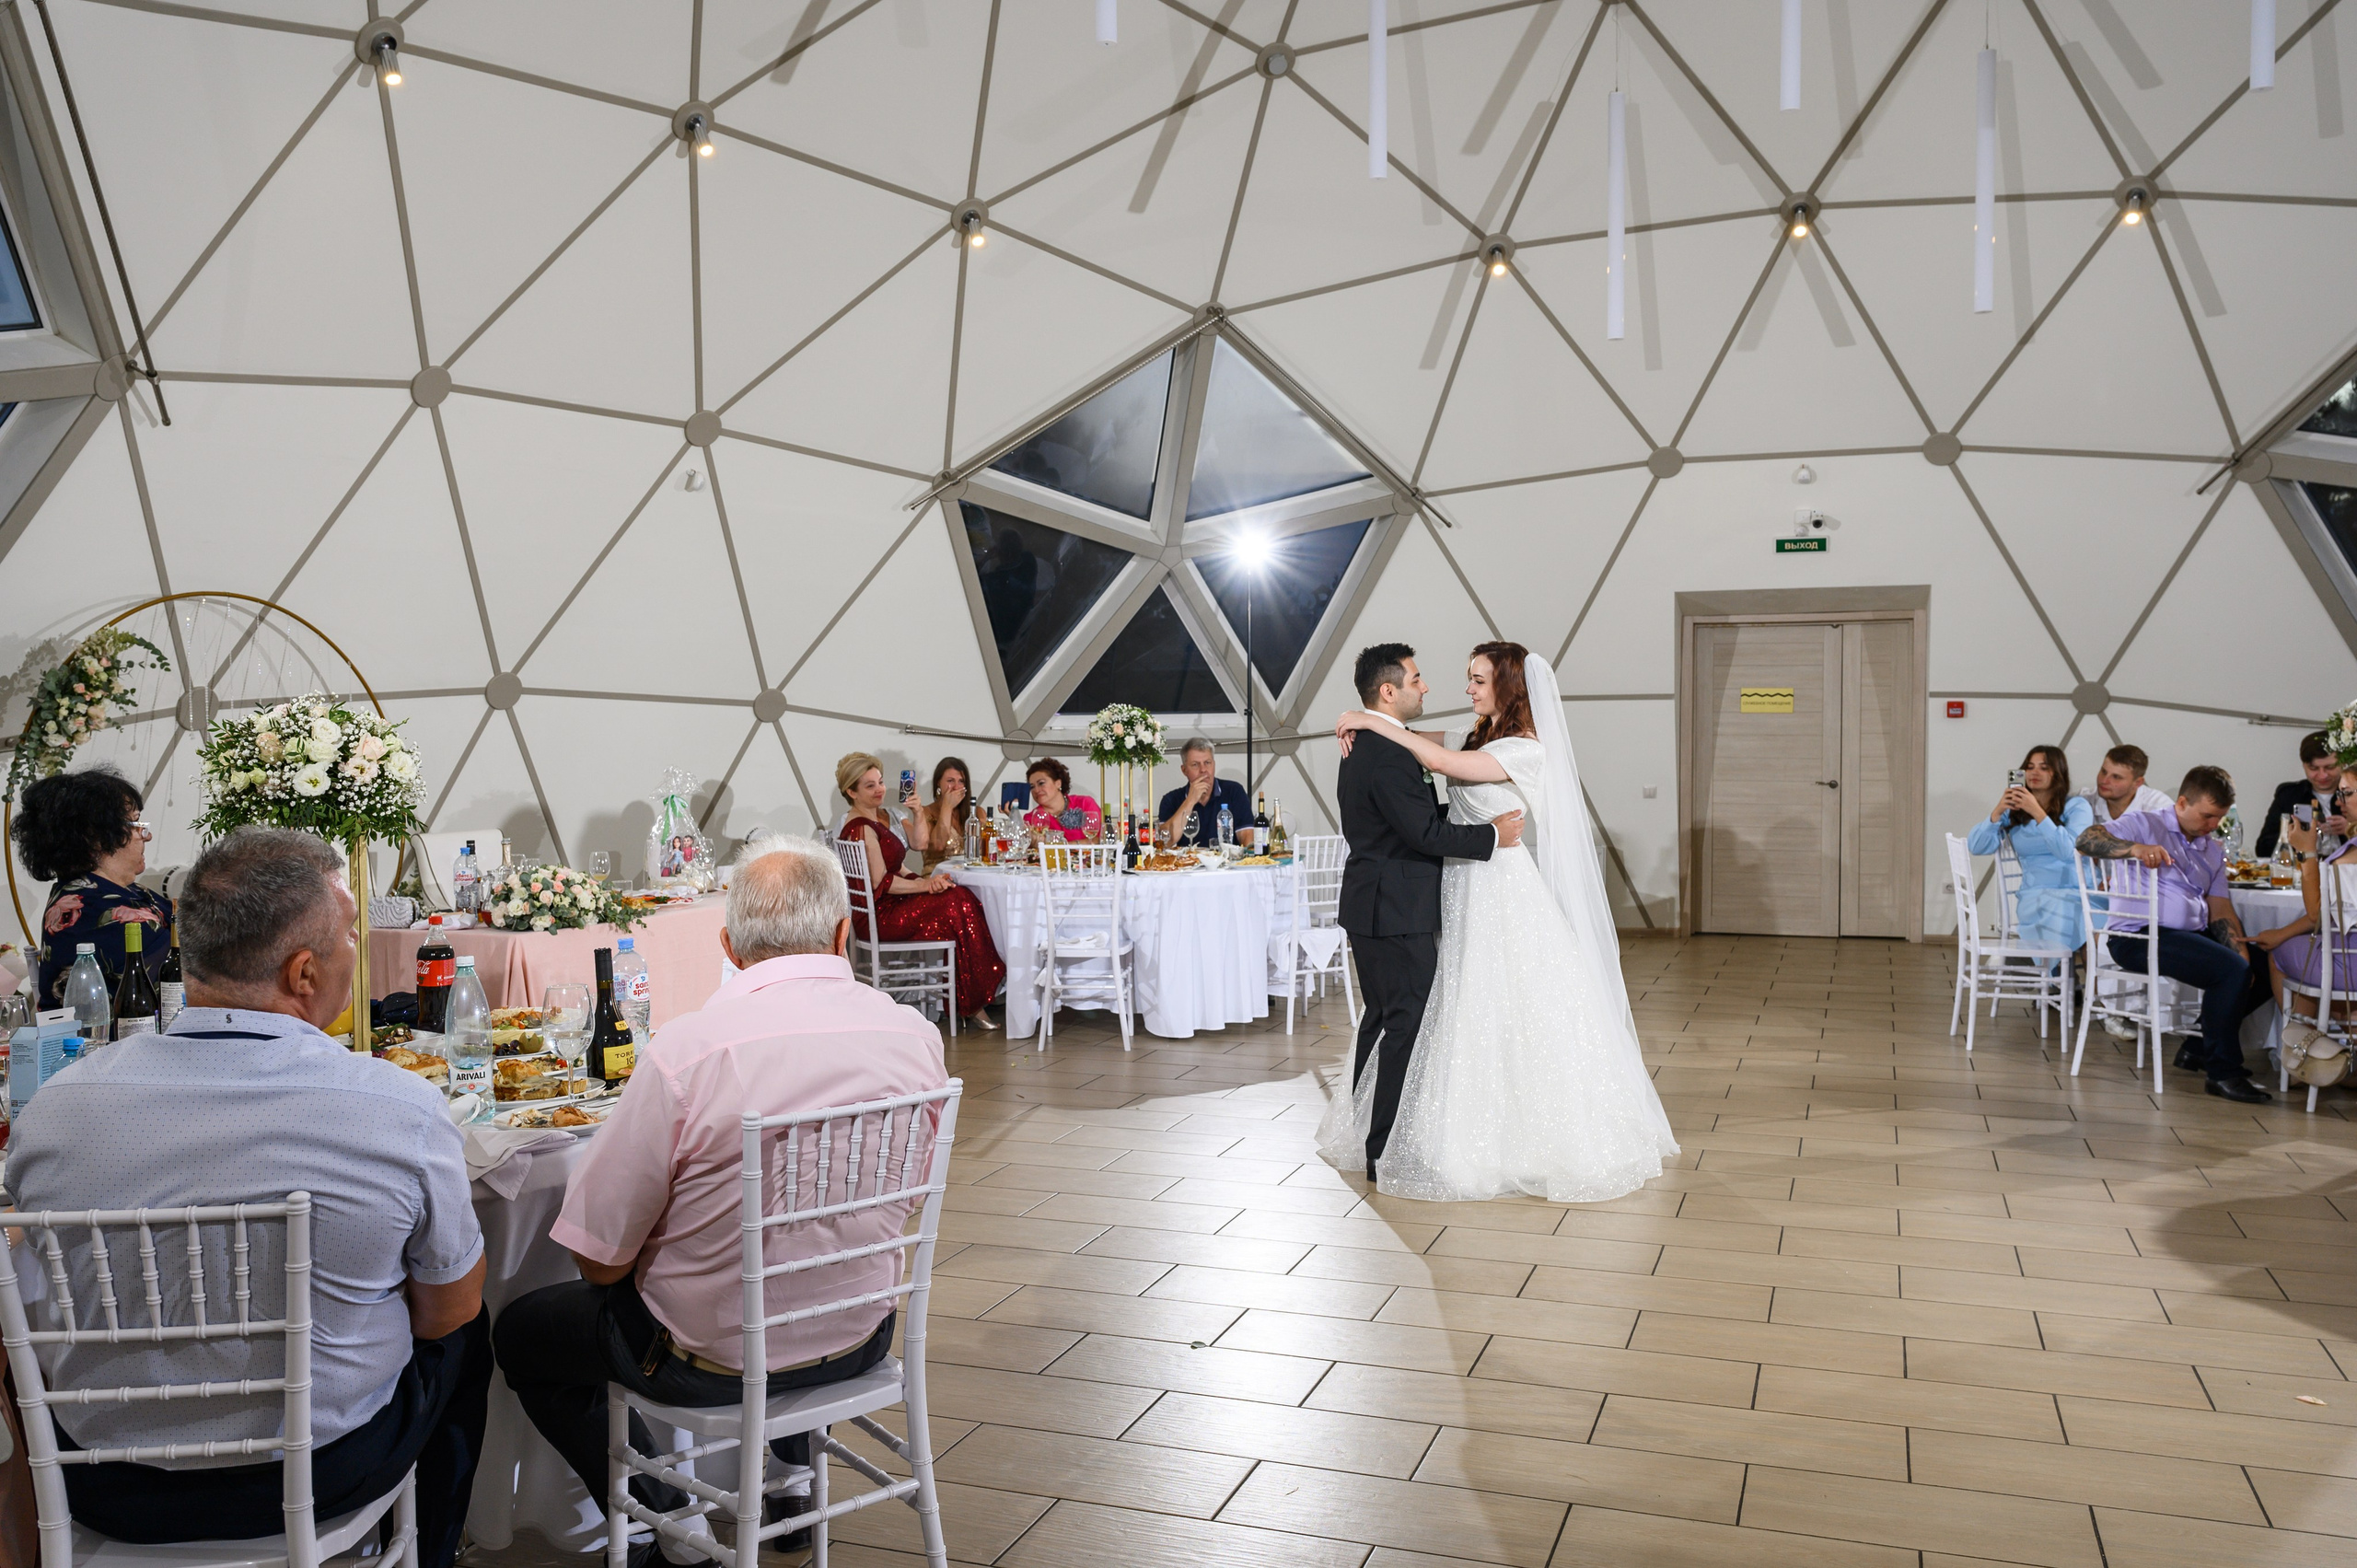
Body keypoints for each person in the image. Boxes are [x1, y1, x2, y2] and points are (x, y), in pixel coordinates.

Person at [6, 827, 490, 1563]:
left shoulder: (54, 1111)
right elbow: (446, 1310)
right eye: (351, 936)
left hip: (107, 1482)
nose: (356, 950)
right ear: (303, 973)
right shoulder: (397, 1108)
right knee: (468, 1341)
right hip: (323, 1471)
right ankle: (435, 1550)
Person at [495, 842, 949, 1561]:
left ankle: (672, 1522)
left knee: (522, 1331)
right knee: (800, 1244)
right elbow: (904, 1198)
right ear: (841, 935)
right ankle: (792, 1479)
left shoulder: (689, 1052)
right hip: (861, 1333)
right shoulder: (914, 1036)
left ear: (729, 947)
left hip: (706, 1364)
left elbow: (596, 1262)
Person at [1317, 640, 1678, 1202]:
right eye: (1463, 678)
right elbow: (1434, 799)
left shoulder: (1526, 748)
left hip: (1496, 885)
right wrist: (1363, 719)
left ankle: (1450, 1136)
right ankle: (1388, 1135)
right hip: (1456, 885)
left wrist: (1360, 718)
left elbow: (1435, 766)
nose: (1463, 688)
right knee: (1440, 1012)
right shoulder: (1472, 737)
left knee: (1500, 1007)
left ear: (1509, 688)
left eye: (1478, 680)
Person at [2077, 766, 2270, 1102]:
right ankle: (2223, 1073)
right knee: (2231, 972)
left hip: (2187, 935)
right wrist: (2135, 848)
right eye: (2208, 816)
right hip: (2137, 936)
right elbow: (2086, 840)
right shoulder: (2146, 823)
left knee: (2263, 967)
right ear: (2182, 802)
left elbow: (2220, 907)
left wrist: (2239, 950)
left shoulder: (2210, 848)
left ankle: (2197, 1048)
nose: (2213, 826)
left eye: (2219, 818)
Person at [836, 751, 1004, 1026]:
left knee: (958, 896)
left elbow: (904, 860)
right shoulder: (860, 827)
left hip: (889, 908)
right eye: (870, 786)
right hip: (881, 917)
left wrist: (928, 884)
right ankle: (972, 1001)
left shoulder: (879, 819)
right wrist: (926, 884)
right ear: (851, 792)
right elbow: (882, 881)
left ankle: (968, 997)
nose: (880, 789)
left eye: (880, 782)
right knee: (959, 902)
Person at [9, 765, 171, 1011]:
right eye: (135, 823)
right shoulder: (87, 908)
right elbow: (192, 962)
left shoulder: (127, 892)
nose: (146, 836)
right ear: (95, 835)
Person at [2249, 770, 2357, 1020]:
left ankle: (2305, 1049)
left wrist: (2307, 852)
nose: (2339, 801)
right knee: (2293, 945)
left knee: (2280, 955)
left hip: (2349, 963)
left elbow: (2318, 913)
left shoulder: (2348, 860)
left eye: (2346, 793)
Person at [1967, 745, 2095, 954]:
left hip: (2077, 889)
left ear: (2059, 773)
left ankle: (2060, 975)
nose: (2034, 773)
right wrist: (1997, 812)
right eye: (2030, 766)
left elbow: (2067, 851)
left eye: (2044, 768)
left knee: (2069, 909)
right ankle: (2056, 976)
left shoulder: (2077, 806)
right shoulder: (2015, 812)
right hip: (2035, 892)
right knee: (2049, 905)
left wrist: (2037, 812)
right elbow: (1976, 846)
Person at [2253, 731, 2351, 857]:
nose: (2322, 775)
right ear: (2303, 766)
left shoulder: (2354, 793)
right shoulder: (2289, 795)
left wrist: (2351, 829)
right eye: (2314, 769)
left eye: (2329, 767)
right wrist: (2294, 836)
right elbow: (2263, 848)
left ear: (2343, 763)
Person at [1157, 738, 1252, 847]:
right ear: (1184, 770)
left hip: (1225, 862)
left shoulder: (1234, 791)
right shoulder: (1170, 800)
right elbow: (1165, 842)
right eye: (1195, 765)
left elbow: (1247, 838)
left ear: (1214, 765)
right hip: (1186, 863)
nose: (1203, 770)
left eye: (1207, 763)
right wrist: (1190, 801)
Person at [909, 755, 977, 870]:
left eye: (961, 781)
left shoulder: (977, 813)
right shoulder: (926, 812)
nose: (956, 787)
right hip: (937, 880)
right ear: (938, 783)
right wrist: (947, 807)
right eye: (950, 781)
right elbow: (938, 846)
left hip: (970, 877)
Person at [2080, 744, 2171, 827]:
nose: (2104, 781)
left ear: (2138, 782)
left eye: (2116, 777)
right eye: (2104, 772)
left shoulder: (2160, 810)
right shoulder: (2082, 801)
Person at [1021, 757, 1104, 843]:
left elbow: (1101, 839)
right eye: (1032, 787)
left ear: (1058, 783)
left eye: (1041, 783)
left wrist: (1067, 847)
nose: (1036, 790)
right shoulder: (1031, 818)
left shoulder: (1084, 803)